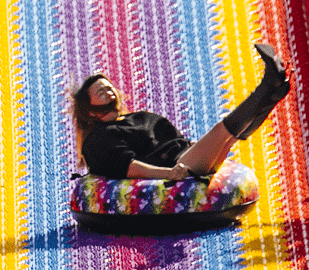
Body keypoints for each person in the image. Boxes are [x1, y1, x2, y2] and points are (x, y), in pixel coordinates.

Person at [74, 43, 291, 180]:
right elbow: (128, 167)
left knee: (231, 138)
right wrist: (169, 174)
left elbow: (173, 139)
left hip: (185, 154)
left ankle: (272, 94)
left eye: (108, 86)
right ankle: (267, 84)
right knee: (222, 132)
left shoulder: (139, 118)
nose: (107, 90)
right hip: (175, 166)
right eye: (100, 92)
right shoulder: (99, 138)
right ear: (90, 111)